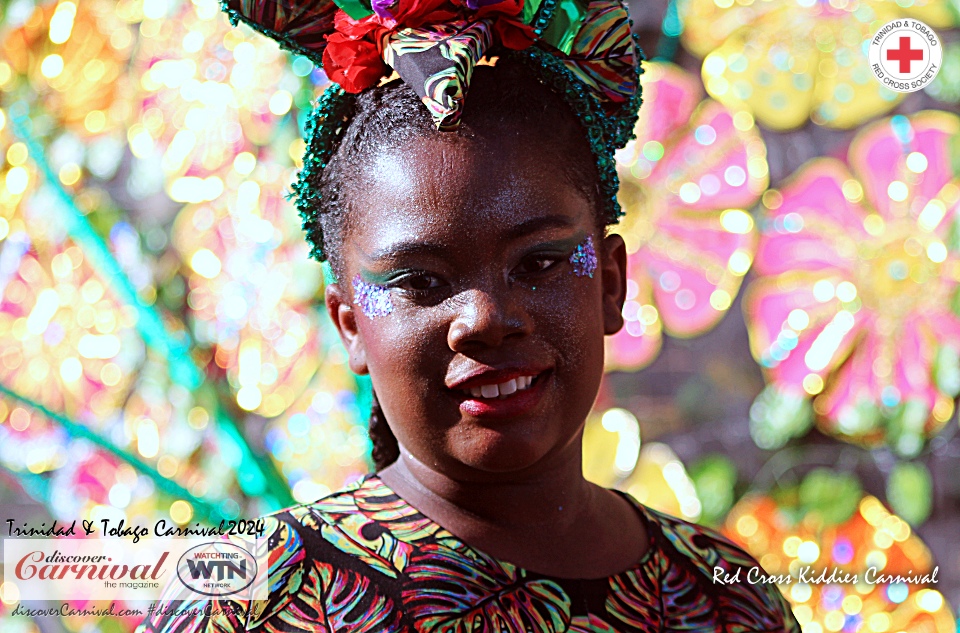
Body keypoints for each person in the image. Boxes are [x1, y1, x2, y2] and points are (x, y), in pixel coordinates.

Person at [138, 0, 801, 630]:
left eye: (538, 263)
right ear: (350, 326)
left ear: (610, 281)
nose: (484, 318)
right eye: (420, 280)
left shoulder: (724, 599)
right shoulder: (258, 599)